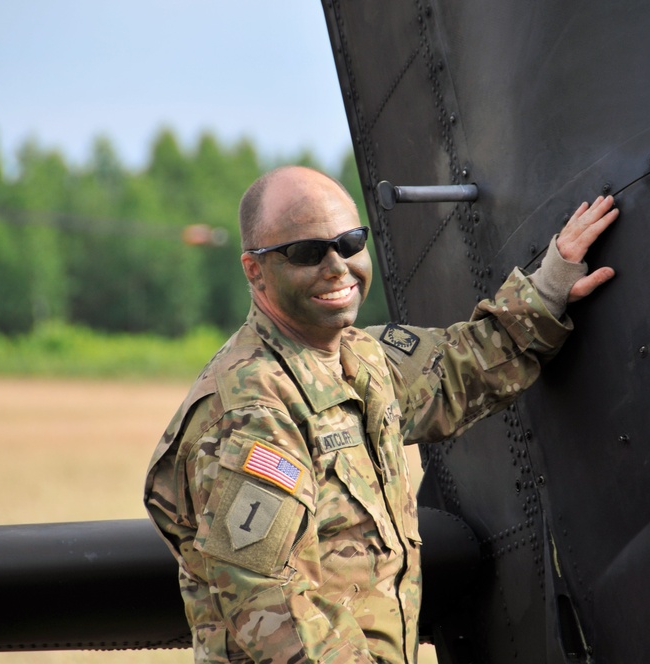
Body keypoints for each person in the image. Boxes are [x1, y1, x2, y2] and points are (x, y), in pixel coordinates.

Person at [144, 165, 618, 663]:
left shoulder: (360, 358)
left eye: (349, 243)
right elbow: (268, 609)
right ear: (254, 270)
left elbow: (465, 366)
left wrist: (552, 280)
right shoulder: (250, 410)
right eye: (307, 252)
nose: (336, 267)